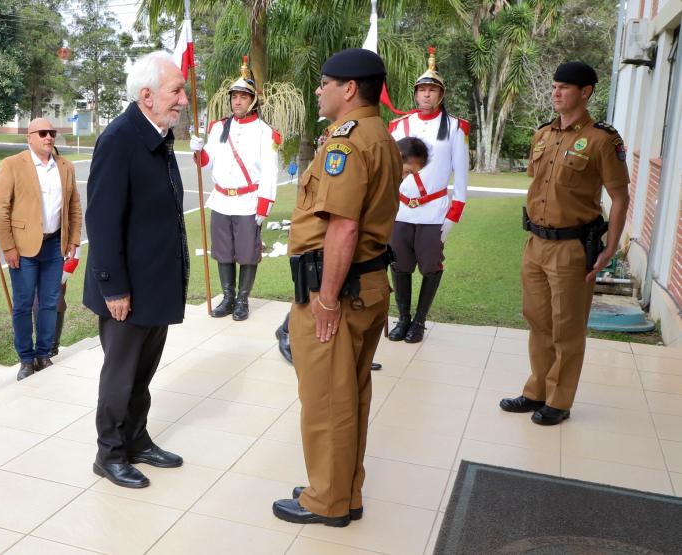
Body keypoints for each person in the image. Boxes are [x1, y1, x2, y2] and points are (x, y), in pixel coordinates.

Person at [271, 48, 401, 527]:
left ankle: (326, 501)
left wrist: (325, 301)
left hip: (338, 292)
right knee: (350, 395)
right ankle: (344, 491)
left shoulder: (346, 144)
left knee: (327, 400)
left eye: (325, 83)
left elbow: (342, 228)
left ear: (349, 89)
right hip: (365, 286)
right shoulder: (378, 135)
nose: (318, 90)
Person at [500, 61, 629, 426]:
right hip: (535, 244)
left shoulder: (604, 140)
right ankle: (536, 389)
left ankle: (559, 399)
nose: (555, 92)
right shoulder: (542, 135)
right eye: (554, 86)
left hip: (572, 248)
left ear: (585, 92)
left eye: (564, 87)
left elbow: (619, 197)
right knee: (538, 321)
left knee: (567, 328)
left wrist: (609, 247)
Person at [83, 51, 189, 489]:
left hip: (156, 282)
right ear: (146, 95)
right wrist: (113, 288)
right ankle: (109, 453)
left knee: (143, 374)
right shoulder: (121, 139)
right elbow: (103, 221)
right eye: (176, 91)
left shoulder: (157, 136)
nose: (183, 100)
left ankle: (136, 439)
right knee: (121, 374)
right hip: (126, 288)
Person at [274, 136, 429, 367]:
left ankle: (351, 353)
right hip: (327, 247)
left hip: (362, 254)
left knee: (344, 298)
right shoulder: (364, 164)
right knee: (316, 294)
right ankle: (288, 332)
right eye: (406, 171)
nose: (405, 178)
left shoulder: (388, 177)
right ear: (396, 158)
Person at [0, 118, 82, 380]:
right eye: (42, 133)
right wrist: (8, 247)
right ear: (29, 137)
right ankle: (26, 359)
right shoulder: (12, 164)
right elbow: (0, 208)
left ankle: (44, 354)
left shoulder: (65, 167)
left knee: (50, 302)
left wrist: (73, 239)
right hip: (22, 247)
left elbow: (74, 206)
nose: (48, 137)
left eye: (51, 133)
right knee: (23, 304)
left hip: (54, 244)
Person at [387, 47, 469, 343]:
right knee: (400, 266)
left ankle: (420, 321)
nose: (426, 95)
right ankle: (403, 318)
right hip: (400, 212)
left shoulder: (455, 128)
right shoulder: (398, 127)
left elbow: (461, 179)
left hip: (433, 212)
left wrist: (452, 218)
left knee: (430, 266)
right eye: (422, 89)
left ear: (441, 95)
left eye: (432, 90)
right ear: (415, 93)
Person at [189, 56, 280, 321]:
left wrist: (264, 205)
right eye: (234, 97)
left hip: (249, 200)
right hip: (221, 200)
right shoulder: (218, 127)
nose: (236, 101)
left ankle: (242, 300)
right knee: (223, 251)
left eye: (242, 97)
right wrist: (197, 152)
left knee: (247, 253)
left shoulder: (266, 132)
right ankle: (227, 298)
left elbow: (270, 172)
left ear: (252, 100)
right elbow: (207, 162)